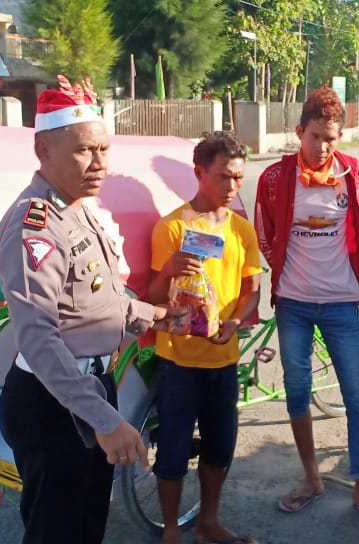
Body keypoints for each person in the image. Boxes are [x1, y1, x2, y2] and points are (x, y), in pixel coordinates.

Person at [0, 76, 180, 544]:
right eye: (82, 151)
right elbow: (38, 337)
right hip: (53, 401)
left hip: (92, 386)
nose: (98, 164)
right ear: (43, 151)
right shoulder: (34, 224)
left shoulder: (76, 207)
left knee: (89, 521)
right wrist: (102, 419)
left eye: (103, 149)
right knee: (57, 530)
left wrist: (155, 315)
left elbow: (98, 298)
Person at [254, 85, 359, 524]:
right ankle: (312, 478)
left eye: (331, 138)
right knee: (297, 393)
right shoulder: (276, 178)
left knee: (358, 397)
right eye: (315, 136)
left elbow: (355, 230)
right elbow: (265, 233)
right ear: (300, 132)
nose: (323, 147)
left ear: (341, 137)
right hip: (294, 305)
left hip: (340, 305)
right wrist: (286, 273)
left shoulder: (351, 173)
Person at [148, 131, 262, 544]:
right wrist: (168, 271)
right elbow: (153, 299)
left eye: (238, 178)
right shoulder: (172, 228)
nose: (232, 187)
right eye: (223, 177)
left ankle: (208, 523)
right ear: (199, 173)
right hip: (178, 362)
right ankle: (173, 531)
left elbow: (253, 290)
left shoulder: (241, 230)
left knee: (220, 449)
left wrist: (234, 323)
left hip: (224, 360)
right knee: (173, 453)